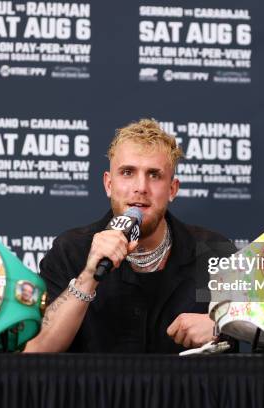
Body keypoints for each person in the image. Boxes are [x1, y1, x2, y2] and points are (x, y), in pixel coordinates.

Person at [24, 119, 235, 353]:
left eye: (154, 175)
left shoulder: (213, 250)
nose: (141, 187)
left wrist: (220, 328)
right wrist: (89, 276)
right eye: (127, 172)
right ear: (108, 184)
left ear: (172, 189)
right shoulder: (71, 250)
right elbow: (36, 350)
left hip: (186, 389)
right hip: (94, 389)